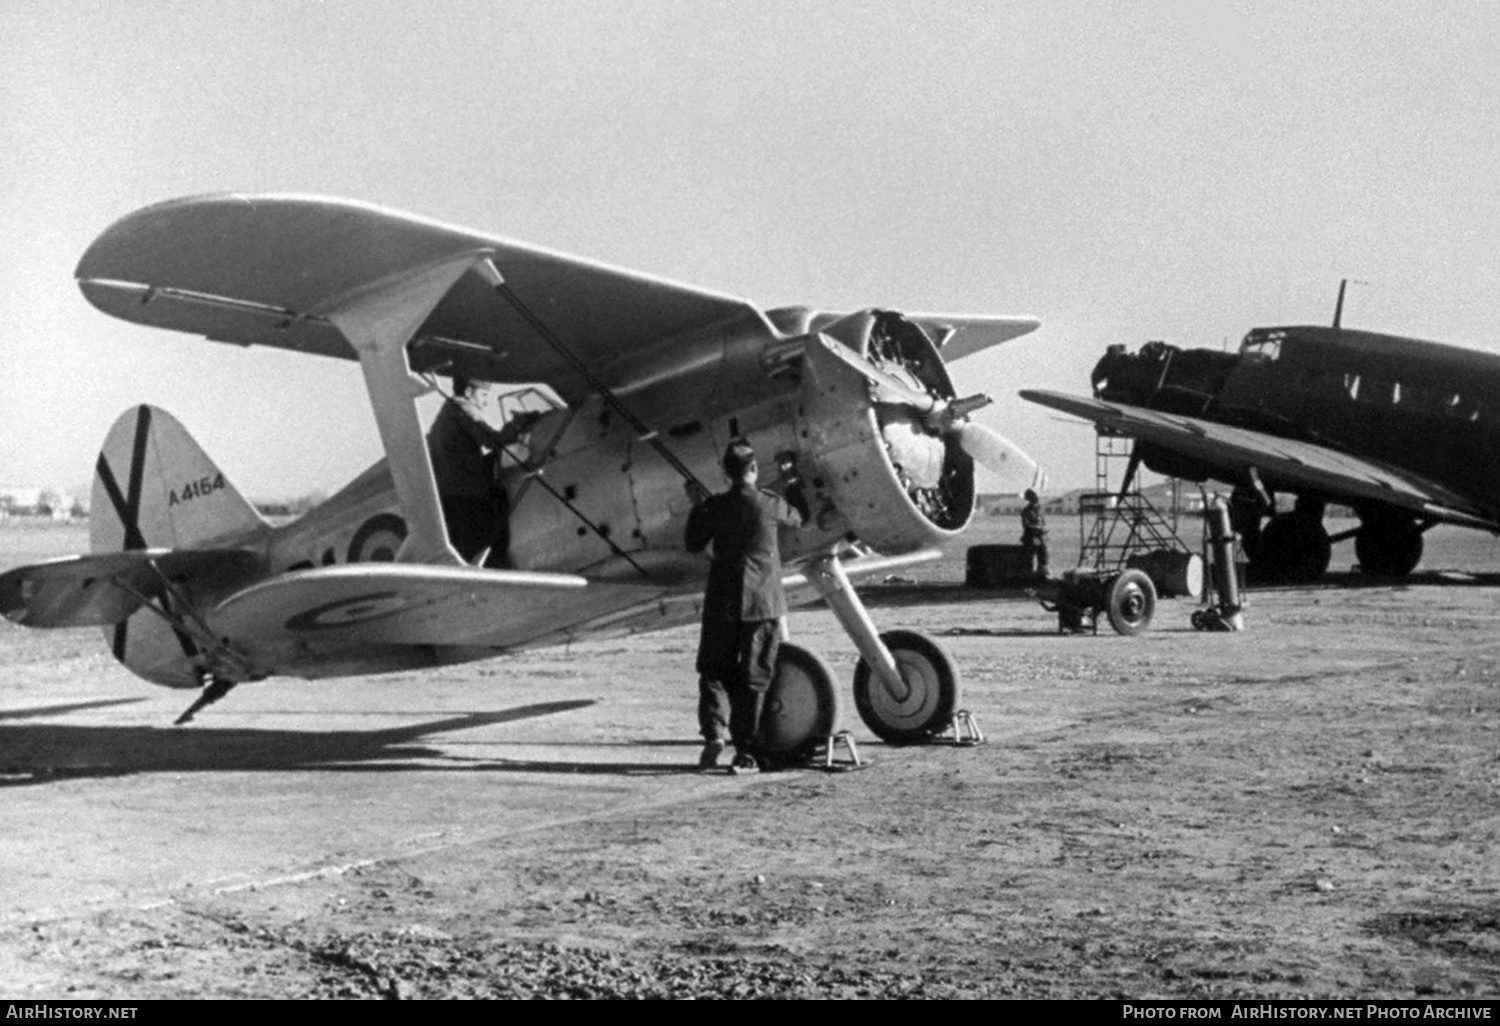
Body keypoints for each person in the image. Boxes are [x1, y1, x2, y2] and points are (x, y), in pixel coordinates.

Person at [684, 438, 803, 774]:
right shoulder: (770, 503)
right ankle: (745, 753)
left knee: (713, 669)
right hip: (762, 603)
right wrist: (791, 480)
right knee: (754, 678)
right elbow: (798, 518)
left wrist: (697, 504)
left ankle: (714, 734)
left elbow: (693, 544)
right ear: (753, 469)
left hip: (723, 600)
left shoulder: (714, 506)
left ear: (725, 473)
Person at [426, 376, 539, 566]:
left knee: (467, 546)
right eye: (484, 394)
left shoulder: (446, 413)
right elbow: (491, 440)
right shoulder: (461, 407)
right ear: (469, 392)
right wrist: (517, 424)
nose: (486, 400)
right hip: (466, 495)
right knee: (496, 518)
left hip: (449, 497)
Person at [1020, 488, 1049, 580]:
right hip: (1030, 537)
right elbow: (1026, 525)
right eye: (1034, 497)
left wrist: (1043, 529)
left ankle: (1041, 574)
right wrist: (1038, 528)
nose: (1037, 499)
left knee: (1043, 556)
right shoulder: (1026, 511)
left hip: (1040, 537)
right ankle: (1029, 576)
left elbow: (1043, 522)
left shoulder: (1039, 509)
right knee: (1029, 559)